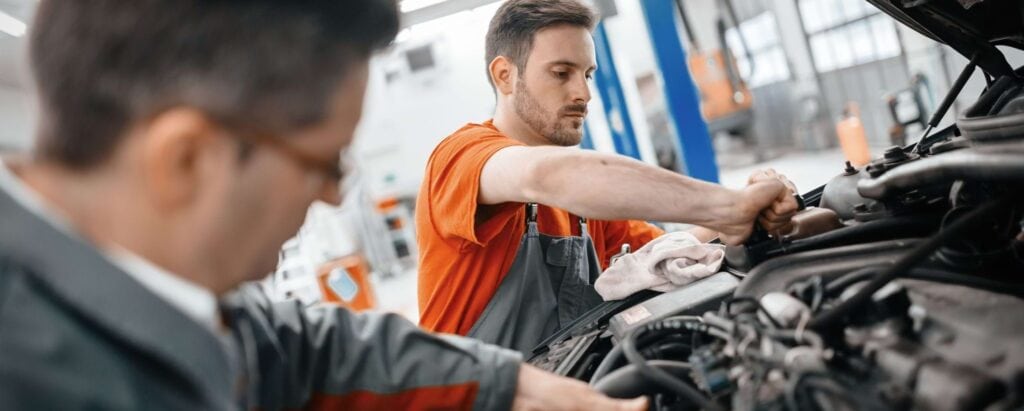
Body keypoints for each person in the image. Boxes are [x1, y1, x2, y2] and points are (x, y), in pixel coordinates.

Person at [0, 0, 647, 409]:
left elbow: (303, 344)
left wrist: (515, 384)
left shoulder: (181, 286)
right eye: (324, 161)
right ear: (187, 159)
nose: (336, 194)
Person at [416, 0, 799, 354]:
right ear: (504, 75)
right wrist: (725, 206)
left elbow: (665, 253)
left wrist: (750, 207)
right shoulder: (462, 156)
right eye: (561, 73)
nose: (583, 93)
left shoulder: (587, 203)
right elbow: (542, 175)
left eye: (587, 74)